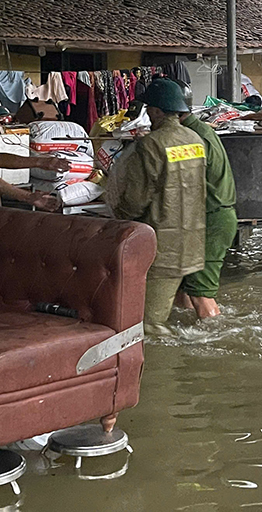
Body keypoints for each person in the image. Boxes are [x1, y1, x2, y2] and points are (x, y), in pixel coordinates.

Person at [110, 79, 207, 335]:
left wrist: (118, 215)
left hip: (163, 244)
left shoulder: (151, 144)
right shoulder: (196, 140)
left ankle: (163, 368)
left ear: (155, 111)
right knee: (182, 309)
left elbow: (137, 198)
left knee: (150, 324)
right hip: (193, 241)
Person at [174, 80, 237, 319]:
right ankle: (186, 333)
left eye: (152, 112)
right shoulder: (201, 130)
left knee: (201, 293)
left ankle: (216, 338)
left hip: (211, 221)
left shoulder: (190, 139)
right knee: (185, 289)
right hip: (210, 217)